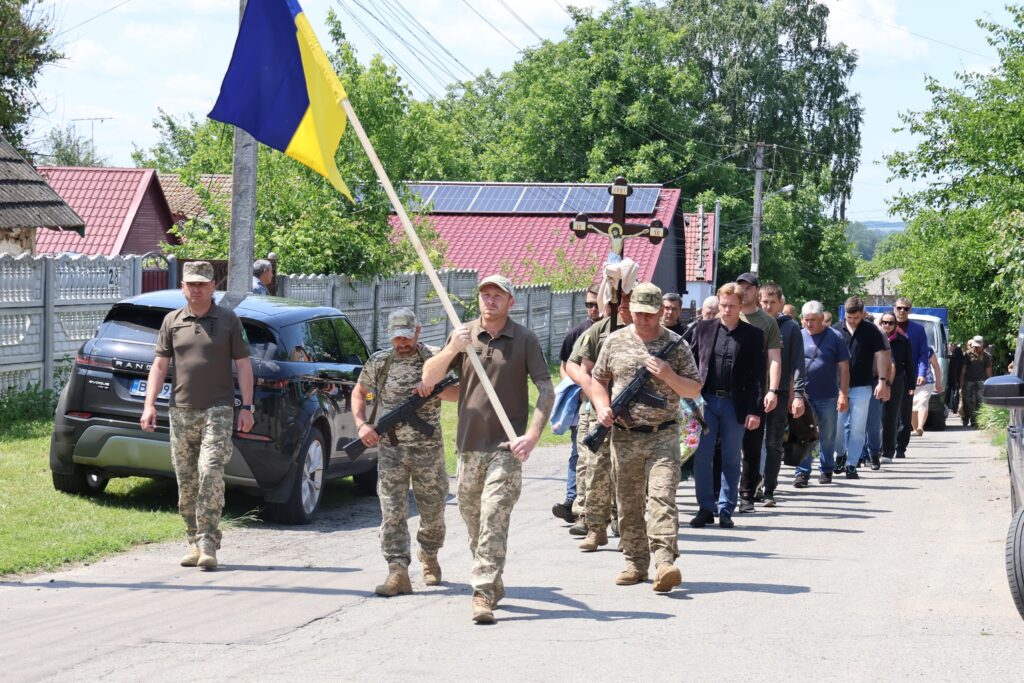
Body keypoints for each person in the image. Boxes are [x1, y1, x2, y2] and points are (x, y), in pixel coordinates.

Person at [422, 274, 554, 625]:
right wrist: (452, 348)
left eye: (498, 295)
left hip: (506, 448)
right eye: (485, 295)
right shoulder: (463, 334)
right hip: (468, 447)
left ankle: (481, 592)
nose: (490, 300)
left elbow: (546, 390)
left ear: (511, 301)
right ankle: (492, 578)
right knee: (475, 522)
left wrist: (532, 436)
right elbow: (429, 379)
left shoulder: (524, 339)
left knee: (494, 515)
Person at [141, 261, 253, 570]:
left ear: (213, 287)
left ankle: (208, 543)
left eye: (202, 284)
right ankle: (192, 540)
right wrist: (149, 405)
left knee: (210, 469)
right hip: (181, 411)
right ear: (183, 287)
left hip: (218, 409)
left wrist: (247, 407)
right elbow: (160, 365)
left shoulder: (229, 320)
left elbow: (244, 365)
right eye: (191, 284)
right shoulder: (172, 321)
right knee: (186, 478)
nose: (196, 289)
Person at [589, 282, 701, 591]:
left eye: (649, 314)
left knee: (662, 496)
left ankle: (664, 562)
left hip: (662, 435)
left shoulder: (676, 345)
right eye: (638, 313)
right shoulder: (615, 341)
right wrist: (603, 407)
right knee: (628, 502)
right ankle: (635, 562)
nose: (643, 319)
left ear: (660, 312)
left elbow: (694, 388)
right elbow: (598, 380)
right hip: (624, 436)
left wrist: (668, 375)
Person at [352, 308, 459, 598]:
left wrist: (434, 388)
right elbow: (359, 392)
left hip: (428, 450)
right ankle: (397, 570)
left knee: (433, 510)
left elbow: (460, 393)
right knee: (392, 512)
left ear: (418, 331)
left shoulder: (435, 359)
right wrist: (362, 425)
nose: (402, 343)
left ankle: (430, 555)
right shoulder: (380, 361)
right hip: (391, 450)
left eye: (407, 337)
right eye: (397, 338)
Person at [688, 283, 764, 529]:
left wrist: (754, 410)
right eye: (723, 305)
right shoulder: (703, 328)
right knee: (702, 456)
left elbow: (758, 376)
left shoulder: (753, 335)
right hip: (706, 401)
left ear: (741, 306)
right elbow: (690, 363)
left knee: (731, 458)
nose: (727, 310)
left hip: (735, 404)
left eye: (732, 305)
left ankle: (726, 509)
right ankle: (705, 508)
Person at [565, 292, 632, 546]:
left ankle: (626, 529)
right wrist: (597, 398)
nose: (623, 306)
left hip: (634, 418)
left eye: (627, 300)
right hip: (600, 413)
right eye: (618, 300)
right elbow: (582, 369)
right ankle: (595, 527)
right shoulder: (598, 331)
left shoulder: (645, 332)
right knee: (595, 472)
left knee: (629, 476)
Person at [551, 285, 601, 524]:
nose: (592, 309)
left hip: (609, 404)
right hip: (582, 403)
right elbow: (564, 365)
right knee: (578, 453)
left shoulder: (616, 330)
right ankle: (572, 501)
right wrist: (577, 388)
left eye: (596, 304)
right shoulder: (578, 331)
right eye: (588, 305)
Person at [734, 272, 782, 513]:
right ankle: (722, 494)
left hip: (755, 391)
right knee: (725, 446)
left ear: (756, 290)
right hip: (728, 392)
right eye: (740, 286)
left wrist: (772, 390)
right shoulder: (729, 315)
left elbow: (774, 358)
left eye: (749, 287)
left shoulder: (767, 322)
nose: (744, 291)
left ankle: (747, 494)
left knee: (752, 447)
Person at [758, 283, 805, 506]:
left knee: (773, 442)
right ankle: (753, 484)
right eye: (764, 302)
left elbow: (798, 363)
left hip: (781, 391)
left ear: (780, 304)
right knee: (752, 442)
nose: (768, 306)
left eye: (772, 302)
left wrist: (798, 395)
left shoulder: (791, 328)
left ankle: (769, 488)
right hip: (755, 391)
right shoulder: (752, 323)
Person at [793, 301, 849, 487]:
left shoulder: (835, 337)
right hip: (803, 396)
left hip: (828, 395)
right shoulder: (798, 335)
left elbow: (844, 367)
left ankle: (826, 469)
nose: (809, 323)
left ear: (822, 318)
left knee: (827, 435)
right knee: (803, 434)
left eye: (813, 320)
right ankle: (802, 472)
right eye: (806, 319)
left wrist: (843, 394)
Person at [834, 297, 890, 478]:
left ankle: (852, 464)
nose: (852, 321)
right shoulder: (835, 330)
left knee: (857, 428)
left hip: (862, 385)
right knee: (837, 426)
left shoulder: (871, 330)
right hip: (838, 387)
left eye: (856, 318)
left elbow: (881, 356)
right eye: (849, 317)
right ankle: (840, 454)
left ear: (863, 314)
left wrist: (882, 381)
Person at [893, 298, 929, 458]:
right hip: (887, 376)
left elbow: (923, 354)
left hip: (908, 376)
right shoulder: (886, 325)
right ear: (894, 308)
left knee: (904, 413)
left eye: (905, 308)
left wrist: (921, 373)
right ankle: (885, 445)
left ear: (910, 310)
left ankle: (900, 447)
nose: (902, 311)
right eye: (899, 308)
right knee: (886, 413)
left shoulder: (918, 330)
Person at [879, 313, 915, 464]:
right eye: (884, 322)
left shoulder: (903, 340)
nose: (887, 325)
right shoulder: (875, 338)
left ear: (895, 325)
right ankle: (873, 449)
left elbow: (909, 363)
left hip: (897, 381)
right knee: (876, 416)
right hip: (877, 380)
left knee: (891, 416)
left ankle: (887, 451)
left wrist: (911, 385)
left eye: (891, 323)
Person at [960, 338, 993, 427]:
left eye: (979, 346)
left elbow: (988, 370)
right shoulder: (967, 354)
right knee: (967, 401)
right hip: (969, 381)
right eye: (976, 346)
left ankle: (976, 421)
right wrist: (961, 382)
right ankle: (966, 418)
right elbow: (964, 369)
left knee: (979, 401)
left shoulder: (986, 356)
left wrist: (990, 383)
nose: (977, 348)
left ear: (982, 346)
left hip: (981, 381)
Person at [911, 347, 943, 435]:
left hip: (926, 382)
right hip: (911, 383)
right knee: (912, 406)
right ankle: (915, 430)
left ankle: (920, 427)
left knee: (923, 402)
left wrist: (938, 383)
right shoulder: (907, 347)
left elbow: (936, 366)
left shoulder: (928, 350)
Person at [947, 342, 964, 413]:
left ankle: (954, 407)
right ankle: (955, 407)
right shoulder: (960, 358)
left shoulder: (954, 358)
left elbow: (954, 370)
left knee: (955, 393)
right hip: (958, 378)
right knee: (956, 392)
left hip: (954, 378)